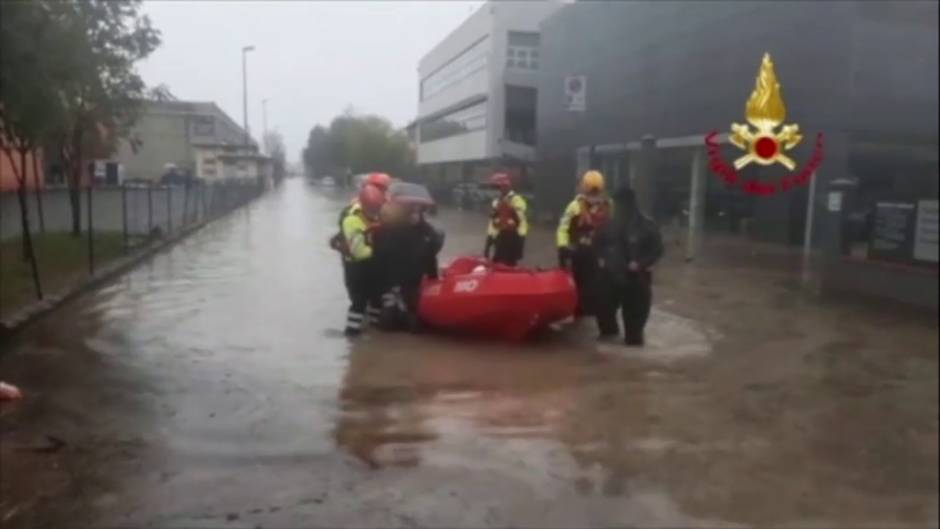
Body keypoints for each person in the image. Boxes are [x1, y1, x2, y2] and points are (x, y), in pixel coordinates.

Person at [593, 187, 663, 346]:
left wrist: (641, 263)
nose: (617, 208)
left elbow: (657, 249)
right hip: (610, 277)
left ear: (629, 204)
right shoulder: (609, 225)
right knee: (605, 322)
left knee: (634, 336)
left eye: (619, 204)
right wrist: (601, 259)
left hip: (636, 280)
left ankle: (633, 342)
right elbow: (597, 243)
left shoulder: (646, 225)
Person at [373, 201, 444, 332]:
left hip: (413, 279)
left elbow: (430, 256)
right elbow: (384, 255)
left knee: (413, 319)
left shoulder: (427, 232)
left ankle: (407, 320)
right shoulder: (394, 230)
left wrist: (433, 277)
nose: (414, 216)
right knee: (387, 320)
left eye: (417, 213)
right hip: (394, 279)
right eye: (411, 212)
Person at [556, 170, 613, 316]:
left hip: (599, 253)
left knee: (598, 285)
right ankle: (577, 310)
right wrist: (563, 247)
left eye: (596, 193)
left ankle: (593, 311)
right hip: (578, 252)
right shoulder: (574, 206)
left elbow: (615, 228)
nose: (593, 197)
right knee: (576, 284)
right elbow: (563, 228)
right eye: (591, 193)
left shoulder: (608, 206)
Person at [335, 184, 385, 337]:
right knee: (359, 301)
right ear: (363, 206)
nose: (375, 213)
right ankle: (351, 333)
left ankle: (375, 329)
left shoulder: (379, 215)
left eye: (377, 209)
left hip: (373, 266)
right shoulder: (352, 220)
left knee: (377, 297)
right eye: (372, 209)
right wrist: (378, 249)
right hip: (356, 267)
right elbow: (359, 252)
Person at [483, 172, 528, 266]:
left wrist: (520, 237)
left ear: (507, 186)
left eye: (500, 186)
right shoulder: (496, 201)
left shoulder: (516, 200)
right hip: (500, 237)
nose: (499, 189)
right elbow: (494, 222)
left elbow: (521, 220)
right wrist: (489, 238)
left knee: (510, 265)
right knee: (496, 263)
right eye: (498, 187)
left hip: (513, 237)